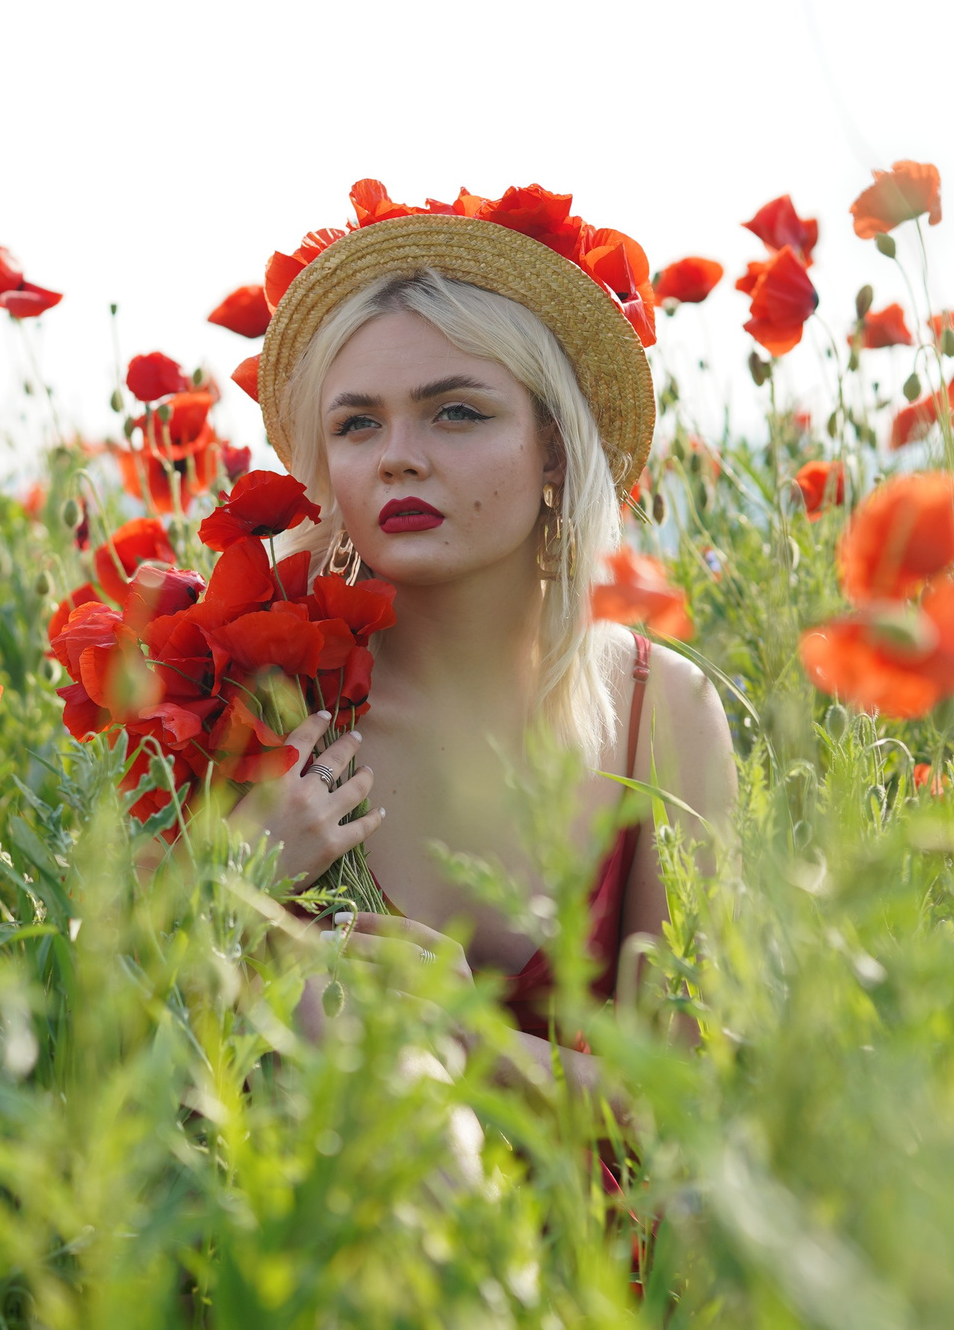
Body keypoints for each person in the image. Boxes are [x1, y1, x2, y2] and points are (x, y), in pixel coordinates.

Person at [243, 184, 737, 1099]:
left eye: (456, 411)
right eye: (358, 423)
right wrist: (234, 883)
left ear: (554, 447)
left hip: (598, 1233)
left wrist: (468, 1042)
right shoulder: (264, 705)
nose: (398, 454)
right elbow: (119, 1038)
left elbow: (695, 1103)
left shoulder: (659, 711)